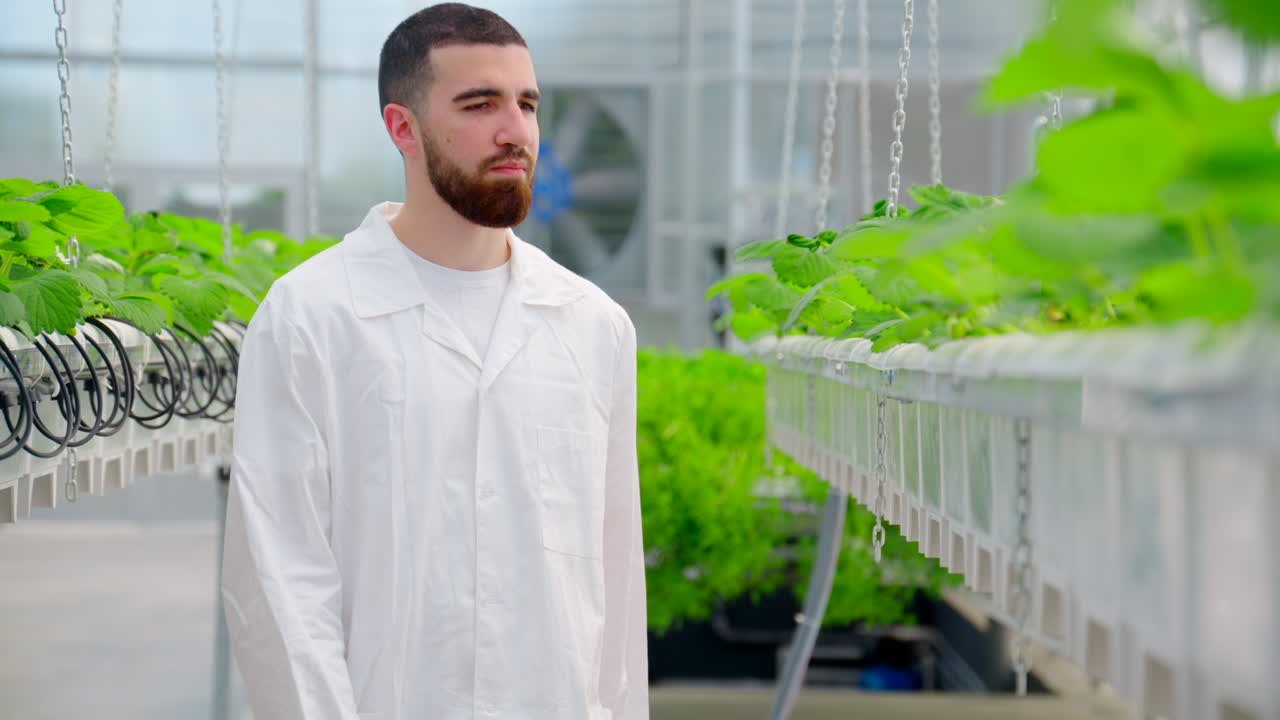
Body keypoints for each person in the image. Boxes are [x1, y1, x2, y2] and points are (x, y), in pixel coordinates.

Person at [220, 4, 649, 719]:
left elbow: (614, 578)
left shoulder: (592, 326)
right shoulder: (313, 317)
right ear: (403, 128)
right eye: (480, 104)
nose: (515, 130)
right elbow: (280, 582)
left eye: (528, 104)